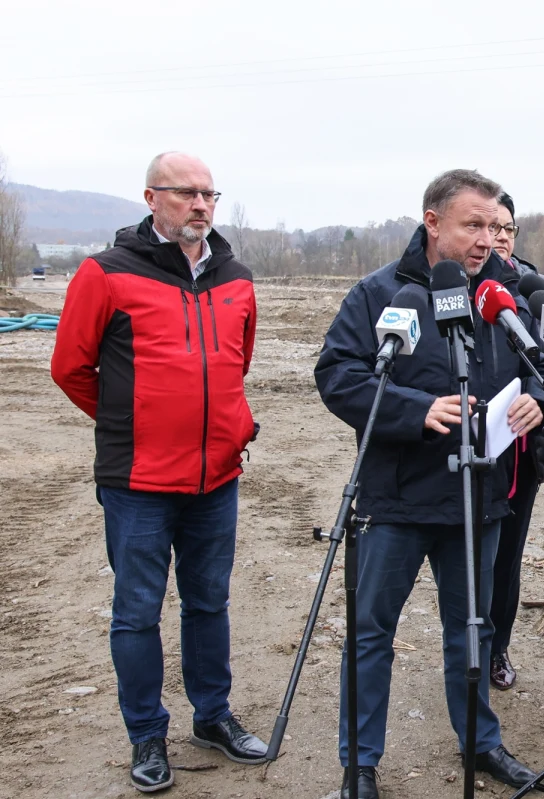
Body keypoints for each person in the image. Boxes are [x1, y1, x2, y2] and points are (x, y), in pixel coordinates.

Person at [315, 170, 544, 799]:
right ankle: (360, 763)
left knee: (472, 629)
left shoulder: (503, 296)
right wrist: (414, 409)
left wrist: (535, 404)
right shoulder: (377, 293)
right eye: (472, 224)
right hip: (396, 498)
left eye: (493, 226)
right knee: (371, 632)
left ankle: (481, 742)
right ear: (432, 221)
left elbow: (538, 369)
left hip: (480, 497)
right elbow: (338, 375)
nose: (485, 239)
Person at [50, 152, 265, 793]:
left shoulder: (236, 276)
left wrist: (221, 429)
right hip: (137, 484)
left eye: (209, 195)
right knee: (137, 613)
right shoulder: (107, 273)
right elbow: (70, 368)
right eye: (185, 194)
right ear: (151, 198)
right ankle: (146, 732)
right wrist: (131, 424)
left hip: (215, 480)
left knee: (208, 603)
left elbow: (236, 364)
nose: (200, 205)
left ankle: (213, 717)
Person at [487, 192, 544, 691]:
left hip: (523, 452)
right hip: (472, 451)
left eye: (508, 228)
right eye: (491, 227)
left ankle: (497, 648)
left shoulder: (536, 289)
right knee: (470, 559)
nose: (500, 237)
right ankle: (468, 647)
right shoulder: (460, 286)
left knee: (509, 557)